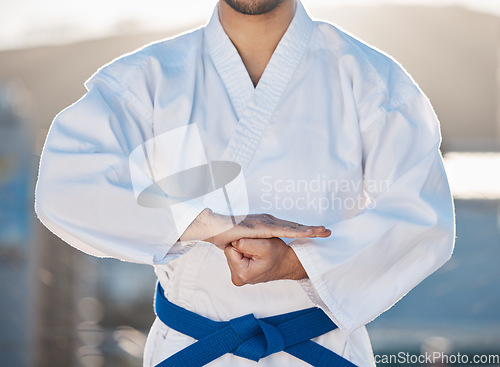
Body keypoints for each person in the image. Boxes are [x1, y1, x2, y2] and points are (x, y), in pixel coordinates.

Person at [34, 0, 456, 365]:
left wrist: (296, 264)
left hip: (321, 350)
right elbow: (66, 184)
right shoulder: (147, 79)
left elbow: (422, 218)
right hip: (191, 350)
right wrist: (211, 226)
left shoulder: (373, 81)